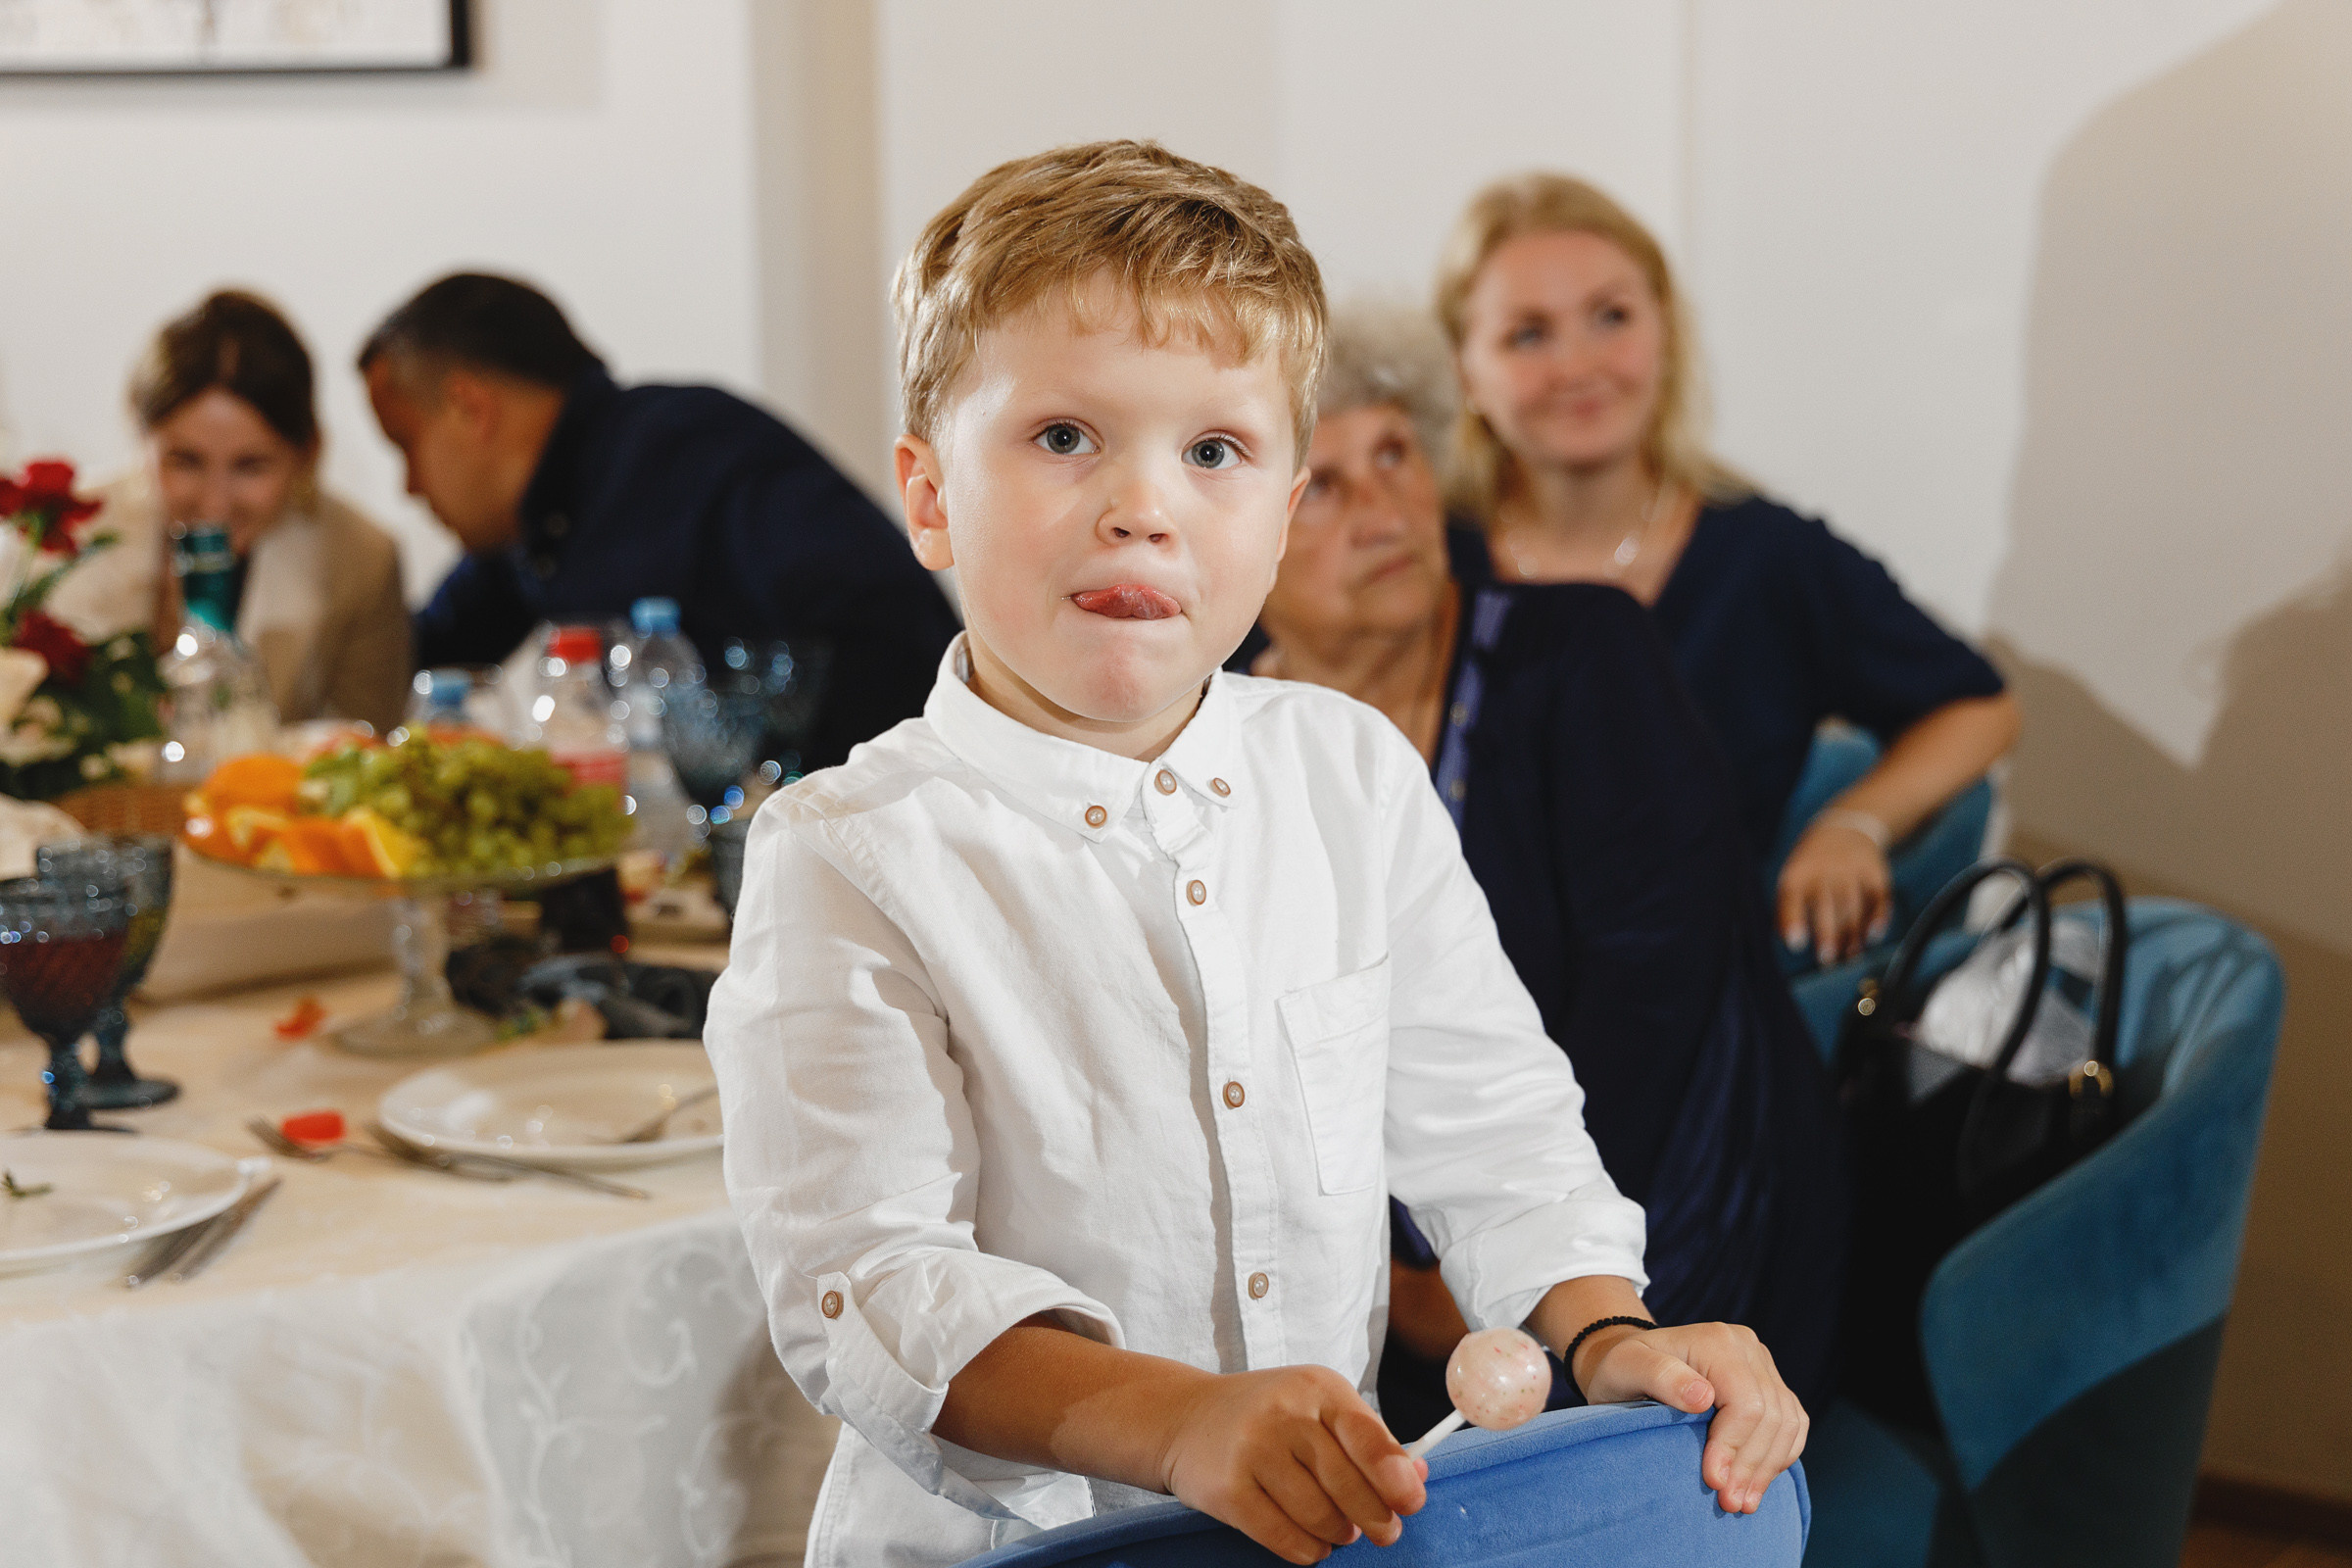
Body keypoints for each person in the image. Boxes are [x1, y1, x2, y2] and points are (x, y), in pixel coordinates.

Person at [705, 141, 1806, 1568]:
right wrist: (1176, 1422)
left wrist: (1601, 1326)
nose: (1143, 507)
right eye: (1062, 438)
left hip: (1319, 1536)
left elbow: (1496, 1127)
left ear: (1282, 519)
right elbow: (867, 1282)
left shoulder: (1349, 773)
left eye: (1214, 451)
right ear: (927, 497)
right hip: (1003, 1550)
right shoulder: (849, 856)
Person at [1247, 304, 1844, 1438]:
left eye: (1395, 456)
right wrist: (1386, 1272)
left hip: (1661, 1181)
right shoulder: (1229, 734)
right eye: (1324, 485)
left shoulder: (1583, 650)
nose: (1384, 508)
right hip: (1374, 1249)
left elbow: (1652, 996)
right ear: (1242, 532)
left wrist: (1485, 1273)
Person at [1435, 174, 2022, 965]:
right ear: (1466, 370)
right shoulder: (1417, 556)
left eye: (1611, 317)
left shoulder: (1766, 557)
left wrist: (1856, 823)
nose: (1578, 366)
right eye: (1528, 335)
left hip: (1699, 1012)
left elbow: (1978, 707)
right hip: (1454, 1007)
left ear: (1666, 334)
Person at [358, 273, 959, 771]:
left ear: (471, 410)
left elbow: (891, 634)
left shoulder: (694, 457)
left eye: (405, 445)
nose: (409, 486)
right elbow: (415, 655)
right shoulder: (540, 521)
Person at [61, 290, 411, 732]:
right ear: (142, 437)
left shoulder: (362, 560)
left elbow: (365, 755)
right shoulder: (68, 528)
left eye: (251, 467)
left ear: (306, 455)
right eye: (185, 461)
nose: (214, 504)